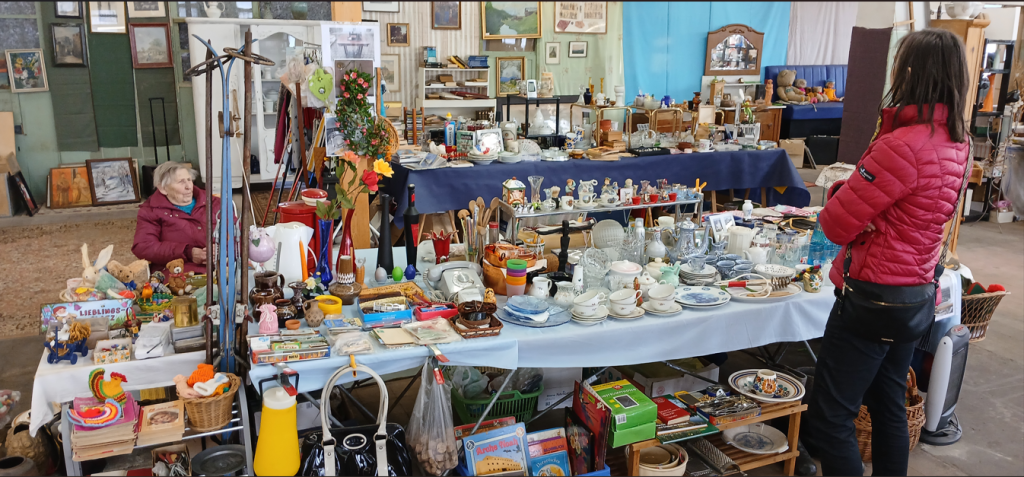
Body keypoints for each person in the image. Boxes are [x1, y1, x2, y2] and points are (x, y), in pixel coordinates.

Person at [804, 29, 971, 476]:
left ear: (910, 73)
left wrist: (843, 191)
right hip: (915, 293)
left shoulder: (901, 145)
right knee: (888, 404)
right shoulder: (958, 141)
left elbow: (836, 223)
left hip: (872, 297)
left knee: (831, 417)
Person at [132, 161, 221, 276]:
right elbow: (143, 246)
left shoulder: (214, 203)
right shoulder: (151, 211)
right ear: (163, 188)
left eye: (189, 180)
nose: (189, 187)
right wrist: (188, 252)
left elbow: (238, 235)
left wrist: (222, 249)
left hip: (223, 268)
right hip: (179, 274)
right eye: (181, 182)